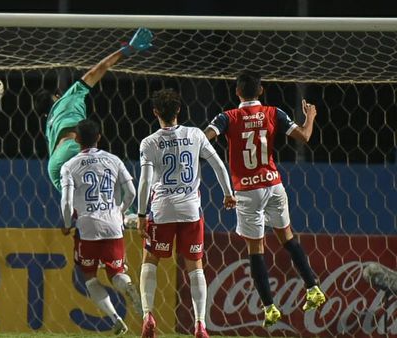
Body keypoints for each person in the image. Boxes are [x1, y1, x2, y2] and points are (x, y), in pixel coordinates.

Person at [204, 70, 326, 327]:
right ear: (261, 91)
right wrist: (310, 116)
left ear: (237, 92)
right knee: (288, 237)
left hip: (246, 192)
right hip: (273, 185)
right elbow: (304, 136)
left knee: (255, 249)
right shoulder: (274, 112)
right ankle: (313, 287)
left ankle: (270, 308)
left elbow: (205, 138)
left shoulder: (228, 117)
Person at [137, 89, 236, 338]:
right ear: (179, 110)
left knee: (150, 260)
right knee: (195, 267)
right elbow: (217, 164)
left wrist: (140, 214)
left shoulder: (149, 142)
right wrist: (228, 193)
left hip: (161, 210)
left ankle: (148, 314)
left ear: (156, 112)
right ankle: (200, 324)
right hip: (191, 210)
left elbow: (145, 181)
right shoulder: (195, 135)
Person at [39, 27, 153, 191]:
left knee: (84, 209)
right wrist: (128, 49)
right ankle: (129, 215)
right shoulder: (68, 97)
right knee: (112, 199)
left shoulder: (49, 124)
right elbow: (97, 70)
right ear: (56, 97)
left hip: (54, 165)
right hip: (73, 149)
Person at [60, 119, 141, 335]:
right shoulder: (113, 160)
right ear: (99, 137)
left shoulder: (69, 166)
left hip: (86, 228)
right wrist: (120, 212)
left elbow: (67, 202)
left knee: (89, 275)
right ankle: (127, 286)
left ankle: (115, 318)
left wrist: (67, 224)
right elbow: (131, 192)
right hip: (113, 224)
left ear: (76, 139)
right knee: (116, 272)